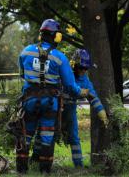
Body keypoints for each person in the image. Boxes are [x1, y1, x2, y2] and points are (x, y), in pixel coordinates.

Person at [17, 19, 89, 174]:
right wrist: (81, 92)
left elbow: (22, 75)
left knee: (26, 134)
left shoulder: (25, 52)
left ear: (41, 35)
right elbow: (69, 85)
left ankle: (21, 170)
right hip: (50, 103)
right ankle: (45, 171)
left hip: (29, 100)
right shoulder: (60, 57)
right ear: (56, 36)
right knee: (47, 136)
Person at [31, 49, 108, 168]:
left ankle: (79, 166)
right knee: (44, 133)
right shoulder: (63, 72)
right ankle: (35, 160)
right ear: (74, 65)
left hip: (70, 110)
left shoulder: (85, 80)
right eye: (81, 68)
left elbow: (93, 97)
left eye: (86, 68)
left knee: (74, 137)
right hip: (54, 107)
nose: (83, 71)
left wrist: (101, 112)